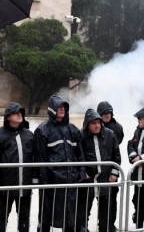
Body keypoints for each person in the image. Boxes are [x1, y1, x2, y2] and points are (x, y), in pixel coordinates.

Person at [34, 95, 86, 232]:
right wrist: (44, 179)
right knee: (47, 212)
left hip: (71, 178)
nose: (62, 109)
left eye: (64, 107)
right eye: (59, 107)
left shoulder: (73, 130)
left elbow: (80, 153)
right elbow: (40, 156)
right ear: (52, 109)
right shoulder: (42, 130)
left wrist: (80, 172)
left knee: (70, 215)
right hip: (52, 180)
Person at [0, 102, 39, 232]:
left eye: (20, 112)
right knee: (2, 215)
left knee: (24, 216)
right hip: (6, 184)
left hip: (25, 184)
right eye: (15, 112)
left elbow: (34, 157)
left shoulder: (29, 135)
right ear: (7, 117)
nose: (19, 114)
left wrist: (34, 178)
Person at [78, 109, 121, 232]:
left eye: (99, 122)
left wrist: (114, 173)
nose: (97, 125)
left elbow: (116, 155)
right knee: (84, 209)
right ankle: (83, 228)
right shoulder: (81, 136)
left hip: (105, 179)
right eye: (93, 123)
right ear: (87, 124)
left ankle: (106, 228)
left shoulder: (110, 134)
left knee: (106, 210)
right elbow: (78, 155)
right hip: (88, 180)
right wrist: (82, 171)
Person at [96, 101, 124, 231]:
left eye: (109, 112)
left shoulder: (117, 128)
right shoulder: (95, 125)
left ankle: (110, 224)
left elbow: (117, 150)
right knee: (96, 199)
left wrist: (114, 172)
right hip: (97, 171)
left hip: (111, 168)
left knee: (112, 199)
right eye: (104, 113)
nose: (107, 115)